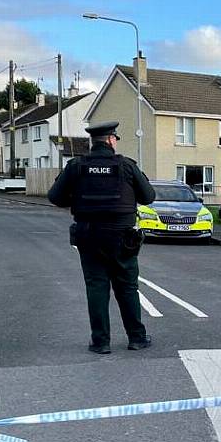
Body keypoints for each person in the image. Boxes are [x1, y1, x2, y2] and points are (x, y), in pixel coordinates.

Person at [48, 121, 156, 354]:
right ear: (110, 140)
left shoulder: (76, 166)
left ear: (92, 142)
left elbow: (55, 197)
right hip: (122, 238)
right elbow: (148, 197)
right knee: (127, 287)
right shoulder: (126, 166)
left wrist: (78, 200)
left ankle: (101, 342)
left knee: (96, 287)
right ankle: (136, 338)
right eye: (115, 139)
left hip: (89, 236)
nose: (115, 142)